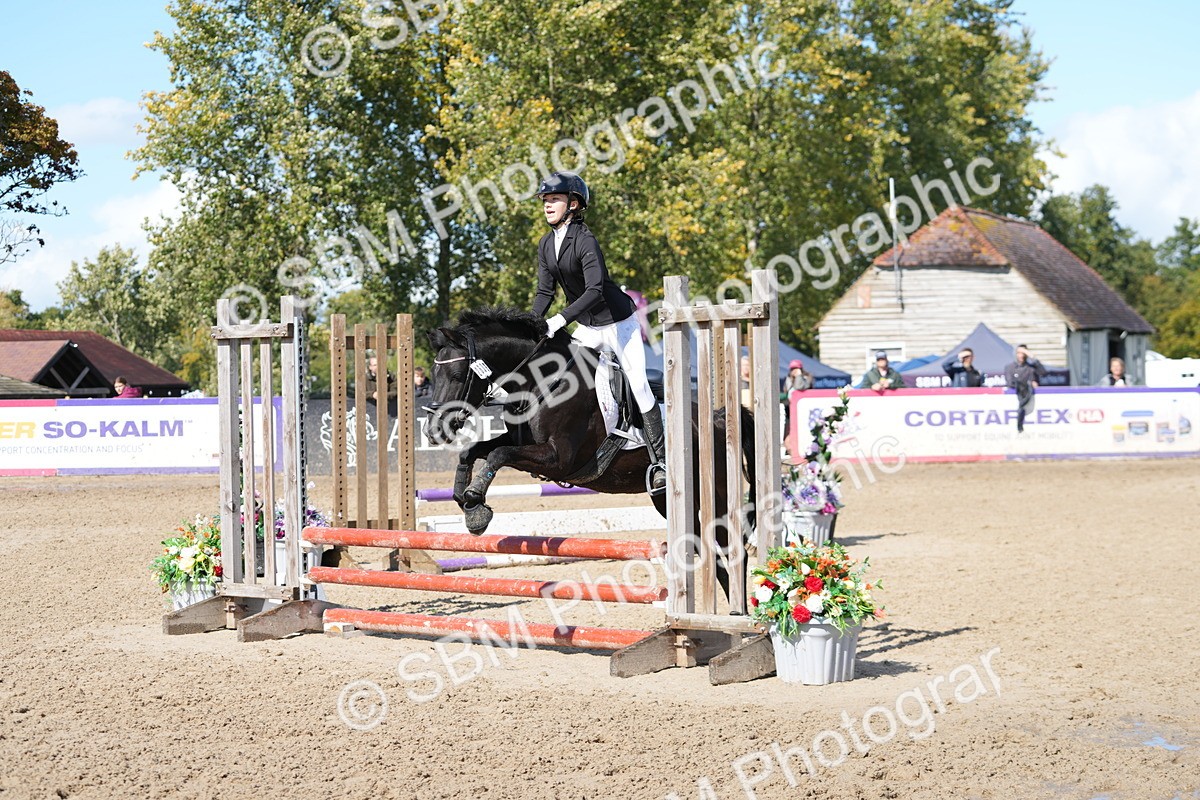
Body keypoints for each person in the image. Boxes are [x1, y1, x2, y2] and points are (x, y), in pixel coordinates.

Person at [531, 171, 666, 492]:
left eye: (554, 199)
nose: (547, 205)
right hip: (589, 326)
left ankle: (661, 460)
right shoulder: (546, 244)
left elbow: (594, 290)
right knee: (567, 378)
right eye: (545, 200)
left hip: (619, 323)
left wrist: (560, 320)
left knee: (638, 384)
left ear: (573, 204)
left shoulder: (585, 240)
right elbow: (544, 293)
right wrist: (532, 325)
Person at [1004, 344, 1046, 433]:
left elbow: (1043, 372)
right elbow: (1010, 383)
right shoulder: (1010, 368)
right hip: (1017, 400)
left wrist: (1031, 355)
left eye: (1024, 353)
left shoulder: (1031, 368)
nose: (1022, 355)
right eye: (1019, 353)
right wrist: (1027, 384)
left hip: (1031, 401)